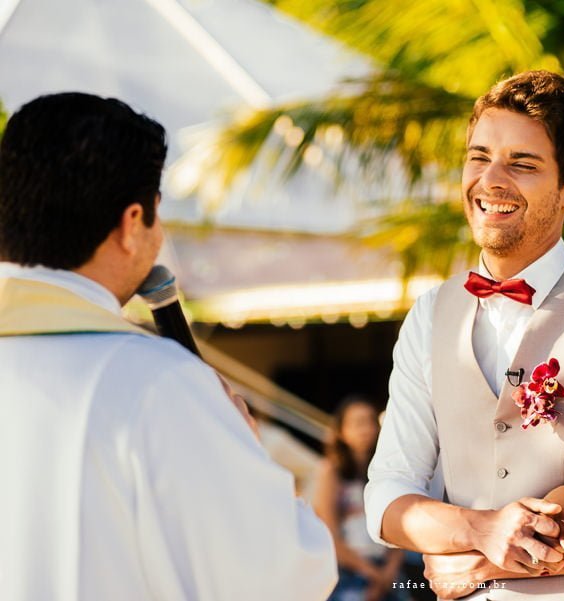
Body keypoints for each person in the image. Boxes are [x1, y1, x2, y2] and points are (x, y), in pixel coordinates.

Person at [0, 93, 337, 600]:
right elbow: (282, 578)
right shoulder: (157, 382)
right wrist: (247, 451)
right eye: (158, 215)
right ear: (133, 224)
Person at [364, 70, 564, 600]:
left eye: (522, 164)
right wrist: (478, 529)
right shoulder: (431, 313)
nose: (490, 180)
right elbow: (388, 496)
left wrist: (480, 565)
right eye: (479, 156)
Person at [315, 396, 409, 601]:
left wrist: (388, 572)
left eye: (369, 421)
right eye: (357, 423)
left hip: (388, 570)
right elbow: (329, 535)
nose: (365, 429)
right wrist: (373, 574)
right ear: (341, 431)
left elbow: (405, 525)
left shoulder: (389, 469)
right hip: (349, 571)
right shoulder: (331, 471)